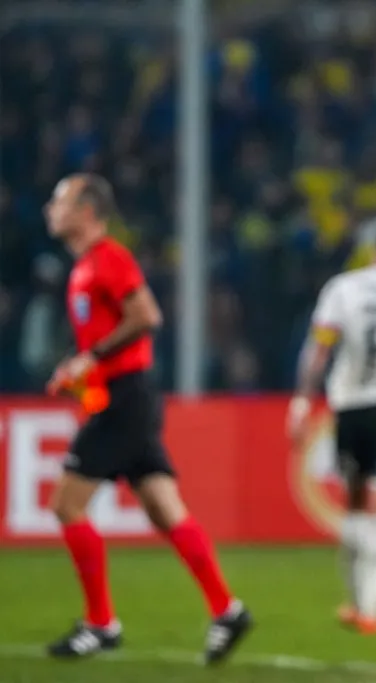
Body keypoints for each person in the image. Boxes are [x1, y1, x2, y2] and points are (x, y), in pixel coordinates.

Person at [43, 174, 251, 664]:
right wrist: (79, 366)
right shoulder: (85, 266)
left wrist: (90, 358)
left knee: (66, 505)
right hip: (126, 396)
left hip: (125, 399)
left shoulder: (108, 258)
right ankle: (228, 610)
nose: (51, 208)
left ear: (87, 211)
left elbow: (146, 315)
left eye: (60, 201)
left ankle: (100, 623)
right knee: (162, 507)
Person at [287, 228, 376, 635]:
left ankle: (365, 603)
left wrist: (302, 401)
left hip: (351, 407)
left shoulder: (343, 288)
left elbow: (319, 349)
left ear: (370, 250)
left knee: (355, 499)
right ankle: (367, 603)